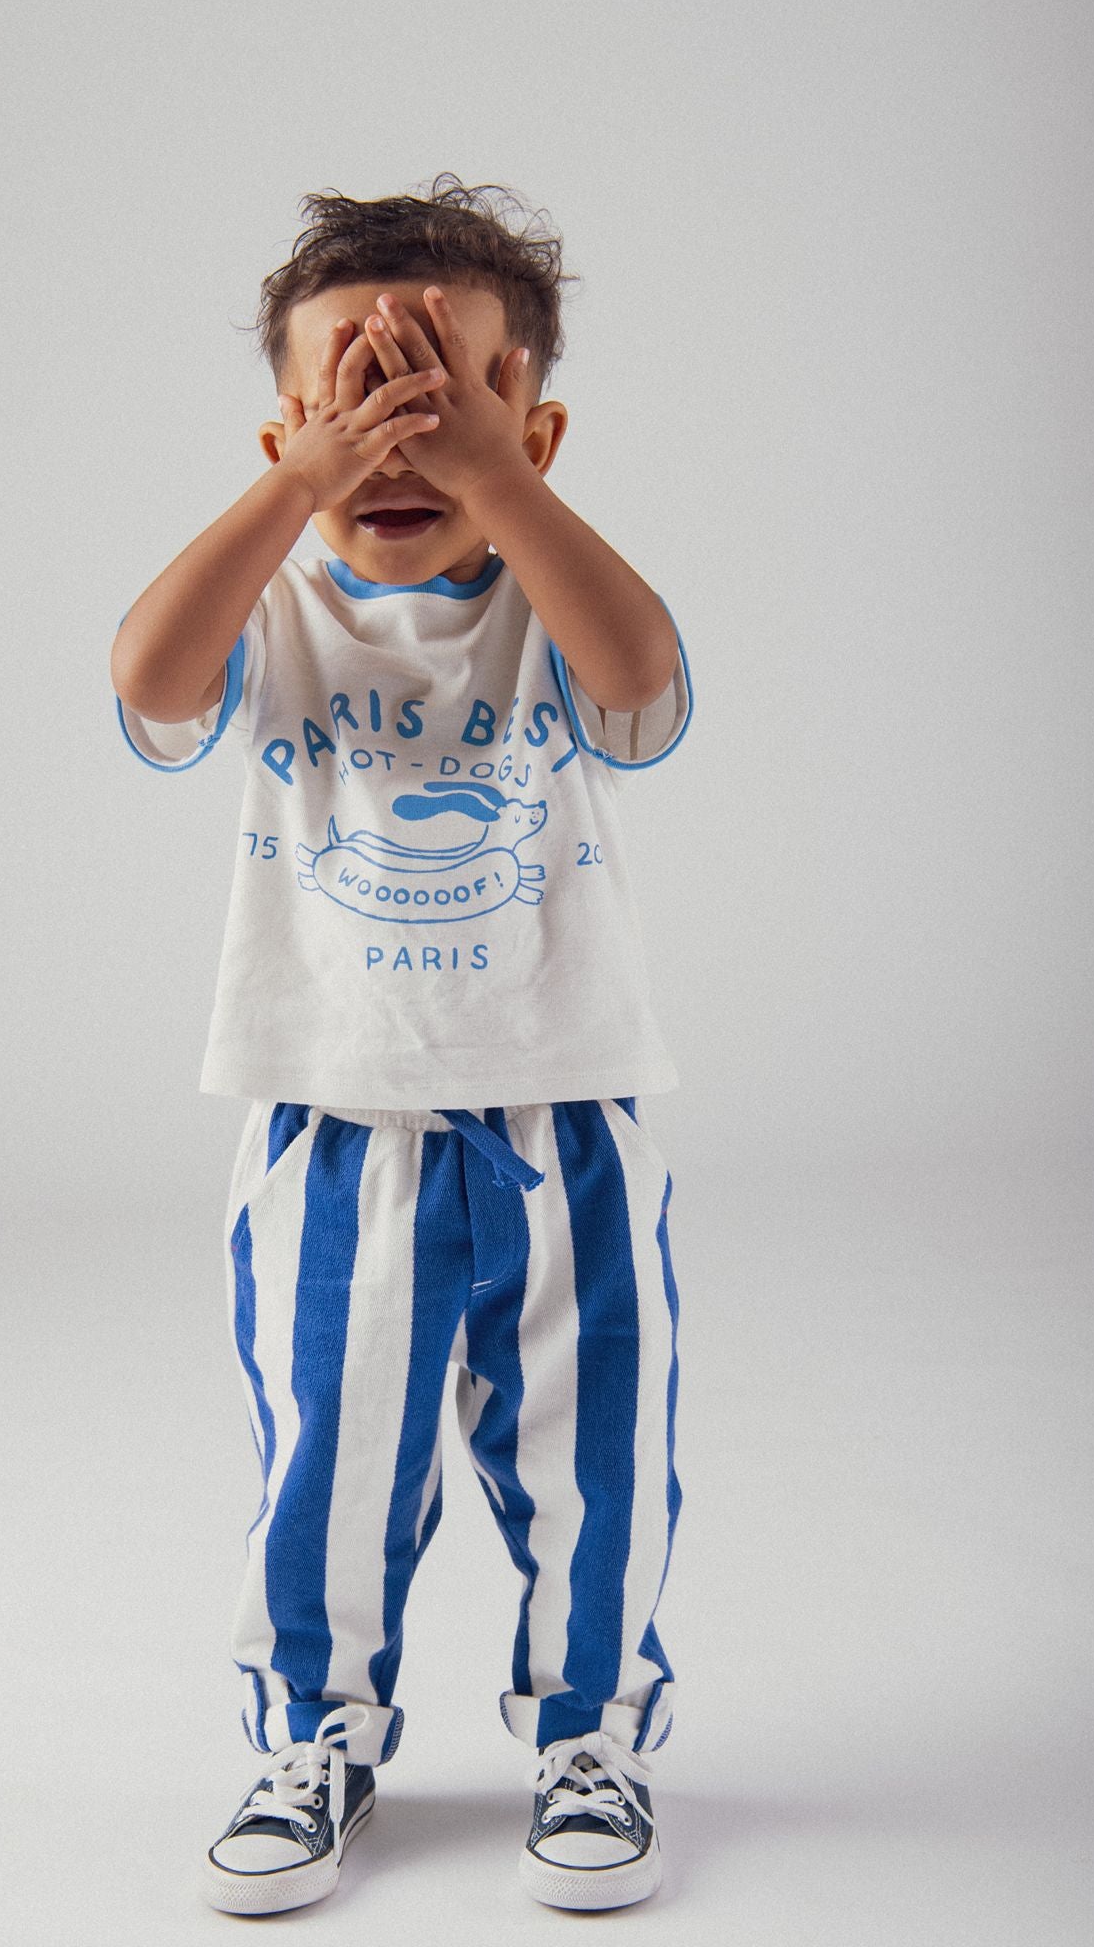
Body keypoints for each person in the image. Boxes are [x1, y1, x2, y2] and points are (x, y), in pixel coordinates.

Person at [109, 175, 694, 1916]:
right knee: (331, 1458)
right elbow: (149, 680)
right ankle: (316, 1737)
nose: (394, 443)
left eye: (438, 402)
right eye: (355, 402)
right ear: (288, 431)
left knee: (592, 1454)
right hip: (335, 1118)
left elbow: (640, 676)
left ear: (536, 430)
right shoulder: (276, 615)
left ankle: (591, 1736)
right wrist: (293, 489)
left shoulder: (550, 611)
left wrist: (497, 483)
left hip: (563, 1114)